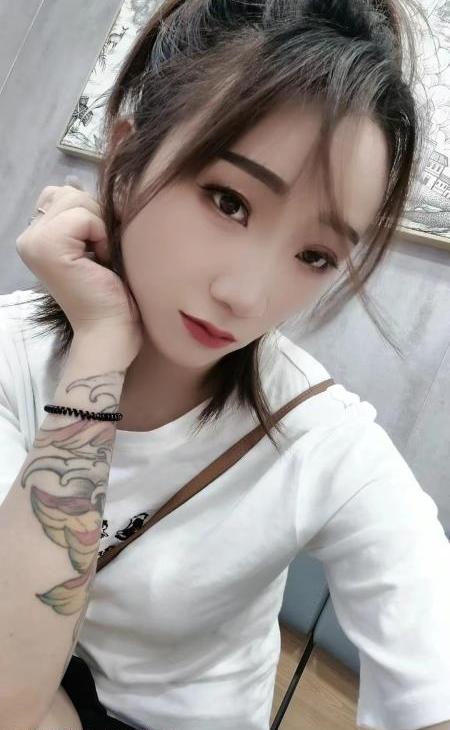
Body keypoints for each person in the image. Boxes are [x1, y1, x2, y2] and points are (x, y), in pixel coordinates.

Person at [1, 1, 449, 729]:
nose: (247, 295)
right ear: (125, 161)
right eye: (228, 201)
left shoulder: (318, 434)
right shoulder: (12, 351)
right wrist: (101, 345)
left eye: (315, 256)